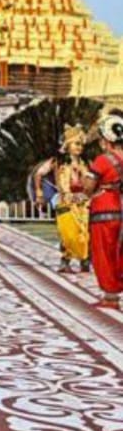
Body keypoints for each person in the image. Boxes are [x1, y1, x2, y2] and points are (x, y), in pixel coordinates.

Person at [35, 125, 90, 274]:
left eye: (81, 144)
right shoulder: (57, 161)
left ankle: (85, 261)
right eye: (76, 144)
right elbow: (39, 174)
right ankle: (65, 261)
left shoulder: (83, 163)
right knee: (68, 234)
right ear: (68, 145)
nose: (80, 147)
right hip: (65, 201)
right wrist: (39, 193)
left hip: (82, 202)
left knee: (84, 232)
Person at [83, 111, 123, 309]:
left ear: (106, 139)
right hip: (120, 208)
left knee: (104, 253)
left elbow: (88, 187)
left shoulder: (103, 160)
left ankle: (110, 297)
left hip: (104, 210)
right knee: (119, 252)